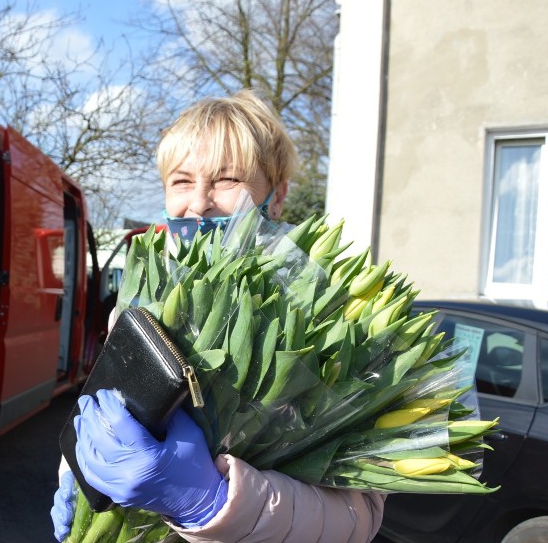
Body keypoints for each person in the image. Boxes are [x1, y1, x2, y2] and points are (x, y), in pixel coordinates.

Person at [51, 90, 385, 542]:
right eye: (182, 181)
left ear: (279, 195)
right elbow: (108, 412)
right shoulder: (147, 290)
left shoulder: (333, 311)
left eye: (227, 180)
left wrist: (210, 503)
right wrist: (76, 466)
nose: (200, 202)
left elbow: (360, 519)